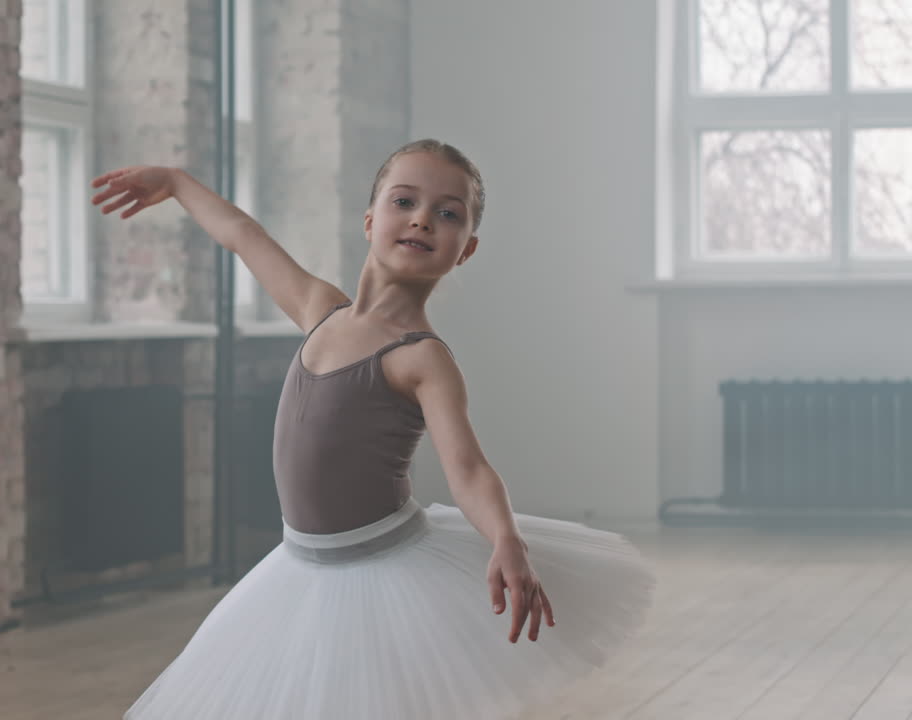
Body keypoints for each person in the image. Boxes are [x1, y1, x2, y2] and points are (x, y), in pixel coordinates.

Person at [91, 139, 655, 720]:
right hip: (298, 570)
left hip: (381, 573)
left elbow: (468, 469)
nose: (422, 219)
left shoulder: (422, 358)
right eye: (405, 200)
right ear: (369, 220)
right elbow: (241, 235)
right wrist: (179, 184)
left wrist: (506, 540)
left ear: (466, 250)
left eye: (448, 213)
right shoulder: (319, 309)